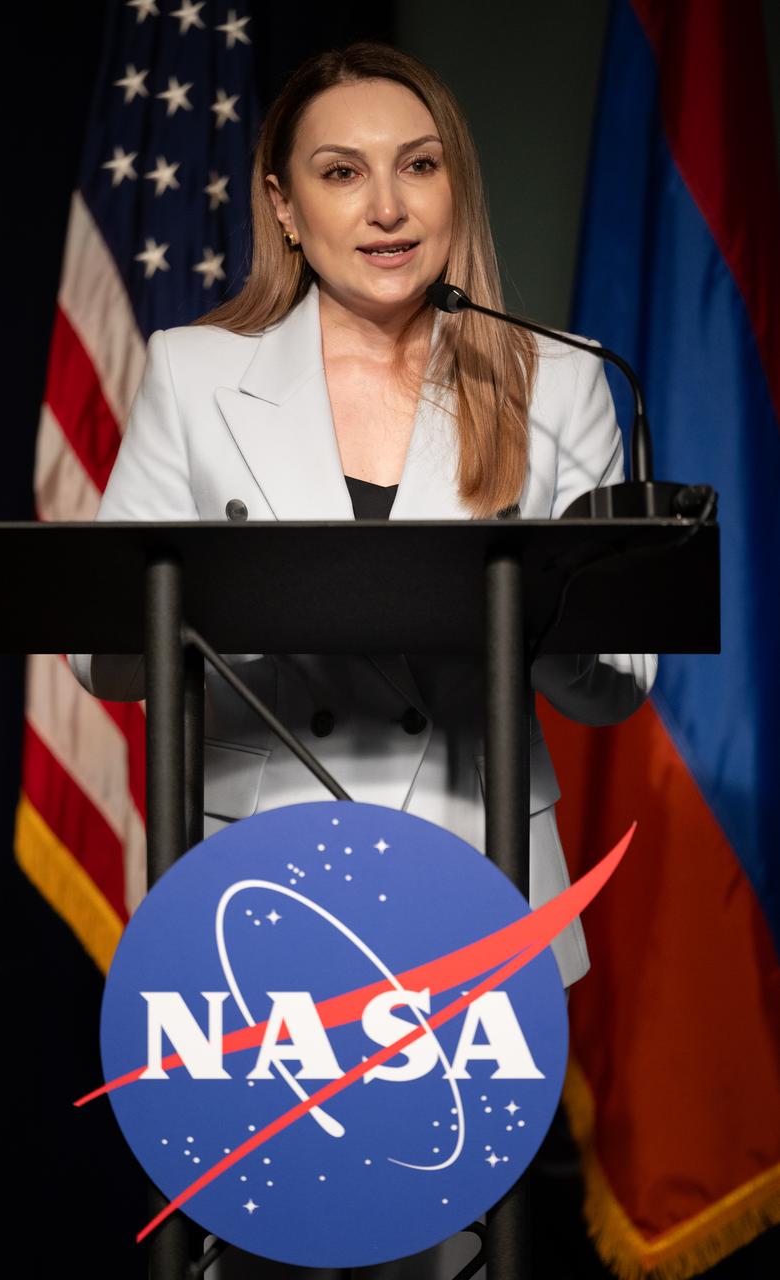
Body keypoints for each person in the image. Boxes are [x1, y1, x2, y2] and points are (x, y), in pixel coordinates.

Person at [69, 42, 656, 1278]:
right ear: (287, 205)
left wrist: (538, 606)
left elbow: (618, 684)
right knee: (263, 1252)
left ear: (456, 188)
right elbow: (102, 655)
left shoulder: (561, 379)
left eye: (418, 167)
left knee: (451, 1255)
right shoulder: (194, 371)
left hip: (477, 899)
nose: (386, 208)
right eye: (342, 173)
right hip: (252, 903)